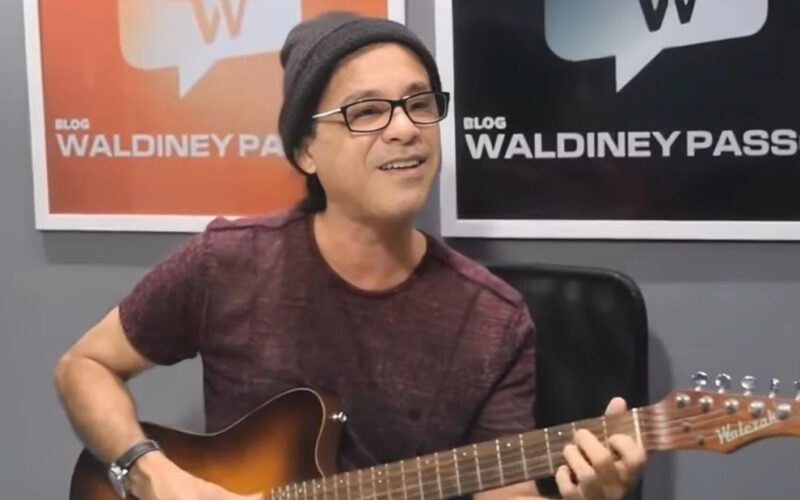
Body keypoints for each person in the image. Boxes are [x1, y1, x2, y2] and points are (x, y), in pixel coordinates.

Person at [54, 11, 646, 500]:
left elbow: (504, 492)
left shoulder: (495, 319)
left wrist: (588, 498)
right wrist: (149, 472)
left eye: (419, 103)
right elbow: (84, 366)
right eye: (366, 112)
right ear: (306, 151)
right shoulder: (227, 264)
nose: (405, 129)